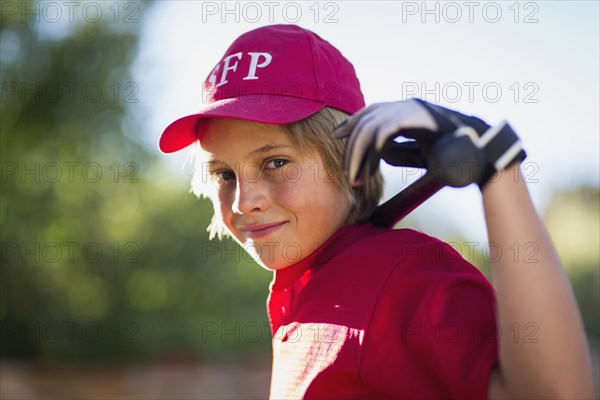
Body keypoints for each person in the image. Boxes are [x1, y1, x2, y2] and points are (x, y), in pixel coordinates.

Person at [159, 24, 594, 399]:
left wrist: (498, 169)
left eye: (276, 163)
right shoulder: (305, 291)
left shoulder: (402, 273)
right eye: (224, 174)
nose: (243, 201)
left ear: (352, 164)